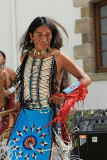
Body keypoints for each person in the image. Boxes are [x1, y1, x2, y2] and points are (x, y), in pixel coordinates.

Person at [6, 17, 91, 160]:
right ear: (31, 36)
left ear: (52, 37)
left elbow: (85, 78)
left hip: (49, 116)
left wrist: (64, 94)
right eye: (39, 35)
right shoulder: (25, 56)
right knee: (16, 153)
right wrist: (19, 99)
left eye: (48, 35)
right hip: (25, 116)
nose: (44, 39)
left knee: (45, 155)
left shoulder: (59, 56)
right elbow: (23, 82)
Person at [0, 51, 16, 135]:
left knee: (8, 128)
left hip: (8, 103)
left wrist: (10, 91)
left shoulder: (8, 71)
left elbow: (20, 82)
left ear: (4, 59)